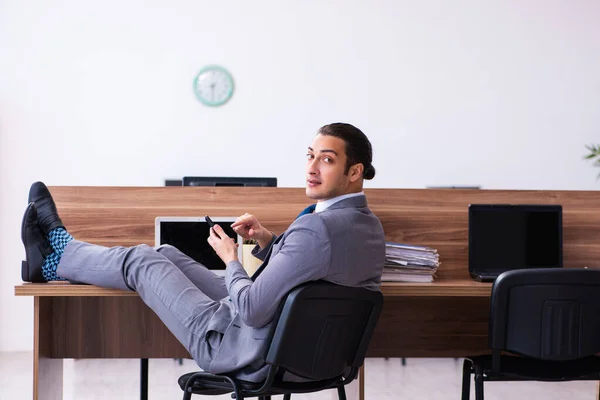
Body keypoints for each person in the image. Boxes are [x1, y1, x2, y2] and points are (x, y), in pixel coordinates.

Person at [20, 122, 386, 382]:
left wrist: (230, 259)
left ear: (354, 171)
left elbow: (253, 309)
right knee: (166, 252)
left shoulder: (316, 226)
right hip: (308, 357)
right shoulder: (368, 227)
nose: (311, 168)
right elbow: (314, 274)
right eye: (310, 156)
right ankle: (56, 261)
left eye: (326, 159)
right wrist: (267, 241)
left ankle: (57, 254)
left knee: (142, 260)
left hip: (243, 351)